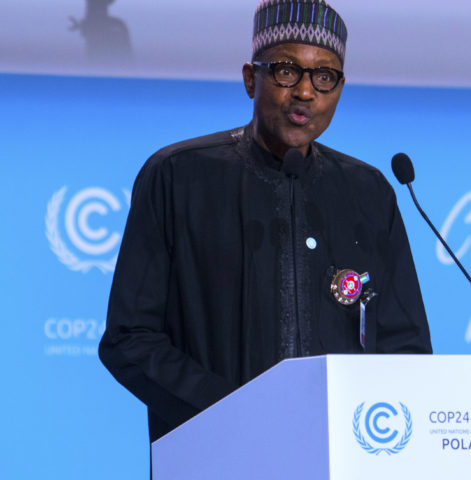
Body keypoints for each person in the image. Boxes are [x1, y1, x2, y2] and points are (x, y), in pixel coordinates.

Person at [99, 0, 432, 443]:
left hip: (342, 453)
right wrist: (237, 413)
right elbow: (130, 339)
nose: (306, 92)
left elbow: (406, 348)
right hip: (214, 451)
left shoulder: (368, 193)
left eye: (325, 76)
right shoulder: (178, 176)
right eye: (287, 71)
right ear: (250, 79)